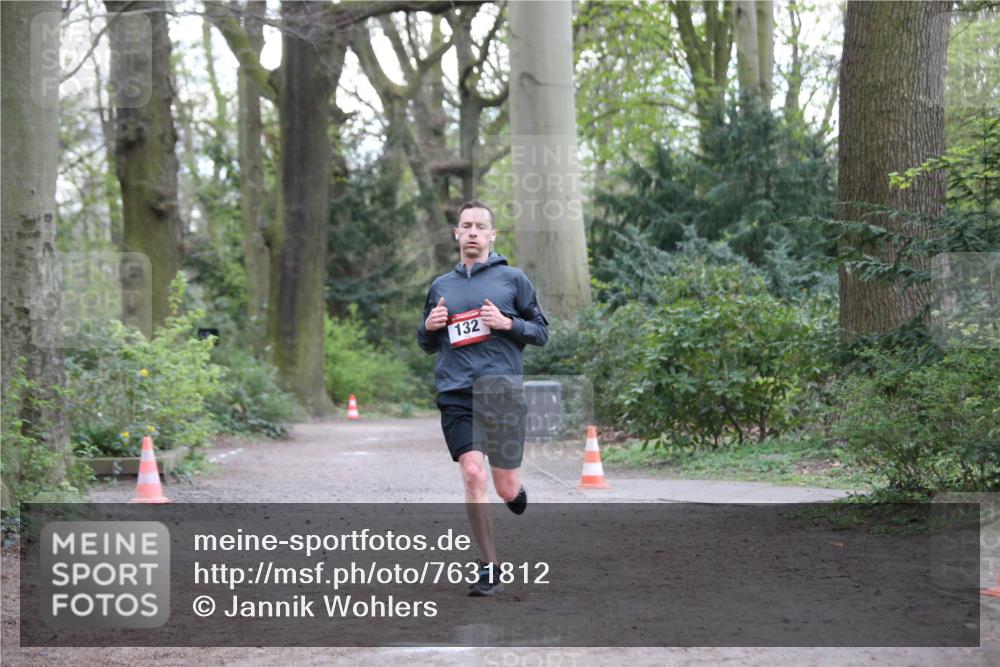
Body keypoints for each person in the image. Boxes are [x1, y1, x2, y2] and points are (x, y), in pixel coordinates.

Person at [417, 199, 549, 596]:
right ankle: (490, 566)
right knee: (473, 473)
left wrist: (507, 323)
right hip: (457, 394)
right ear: (456, 234)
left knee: (505, 487)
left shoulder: (514, 279)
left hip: (502, 394)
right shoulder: (441, 286)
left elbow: (541, 332)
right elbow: (426, 342)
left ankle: (515, 490)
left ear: (492, 235)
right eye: (466, 226)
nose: (473, 232)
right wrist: (429, 325)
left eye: (480, 226)